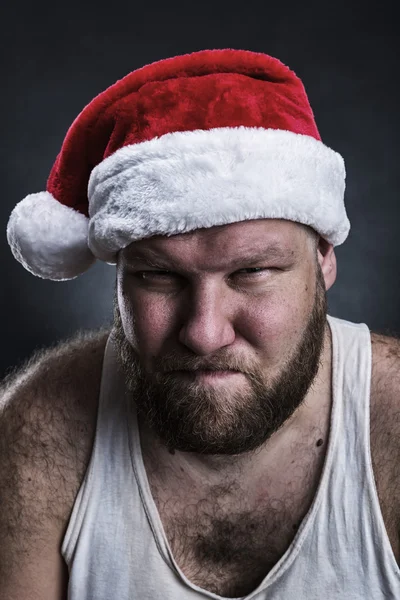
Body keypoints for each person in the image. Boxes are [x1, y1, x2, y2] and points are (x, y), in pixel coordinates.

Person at [2, 48, 399, 600]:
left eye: (252, 271)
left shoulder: (394, 425)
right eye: (160, 277)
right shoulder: (38, 432)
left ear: (324, 259)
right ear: (120, 278)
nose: (204, 332)